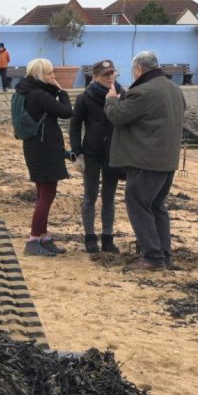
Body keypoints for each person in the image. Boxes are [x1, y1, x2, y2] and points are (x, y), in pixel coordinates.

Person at [105, 50, 187, 272]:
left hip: (146, 161)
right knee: (157, 206)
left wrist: (111, 100)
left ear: (139, 69)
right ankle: (164, 254)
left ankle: (152, 257)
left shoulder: (143, 92)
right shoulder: (174, 89)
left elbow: (117, 116)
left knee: (139, 205)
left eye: (133, 71)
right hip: (168, 161)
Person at [15, 58, 74, 256]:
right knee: (46, 195)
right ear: (40, 75)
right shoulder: (39, 95)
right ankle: (33, 239)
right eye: (49, 74)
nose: (53, 77)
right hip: (45, 148)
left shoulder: (26, 92)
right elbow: (67, 112)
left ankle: (44, 237)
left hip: (34, 147)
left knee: (43, 193)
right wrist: (61, 91)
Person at [67, 58, 124, 254]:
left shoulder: (121, 94)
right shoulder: (85, 97)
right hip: (91, 153)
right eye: (106, 75)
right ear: (96, 77)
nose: (110, 78)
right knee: (89, 196)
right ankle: (89, 237)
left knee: (109, 197)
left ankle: (108, 237)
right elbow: (75, 126)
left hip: (114, 154)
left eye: (112, 74)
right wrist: (77, 153)